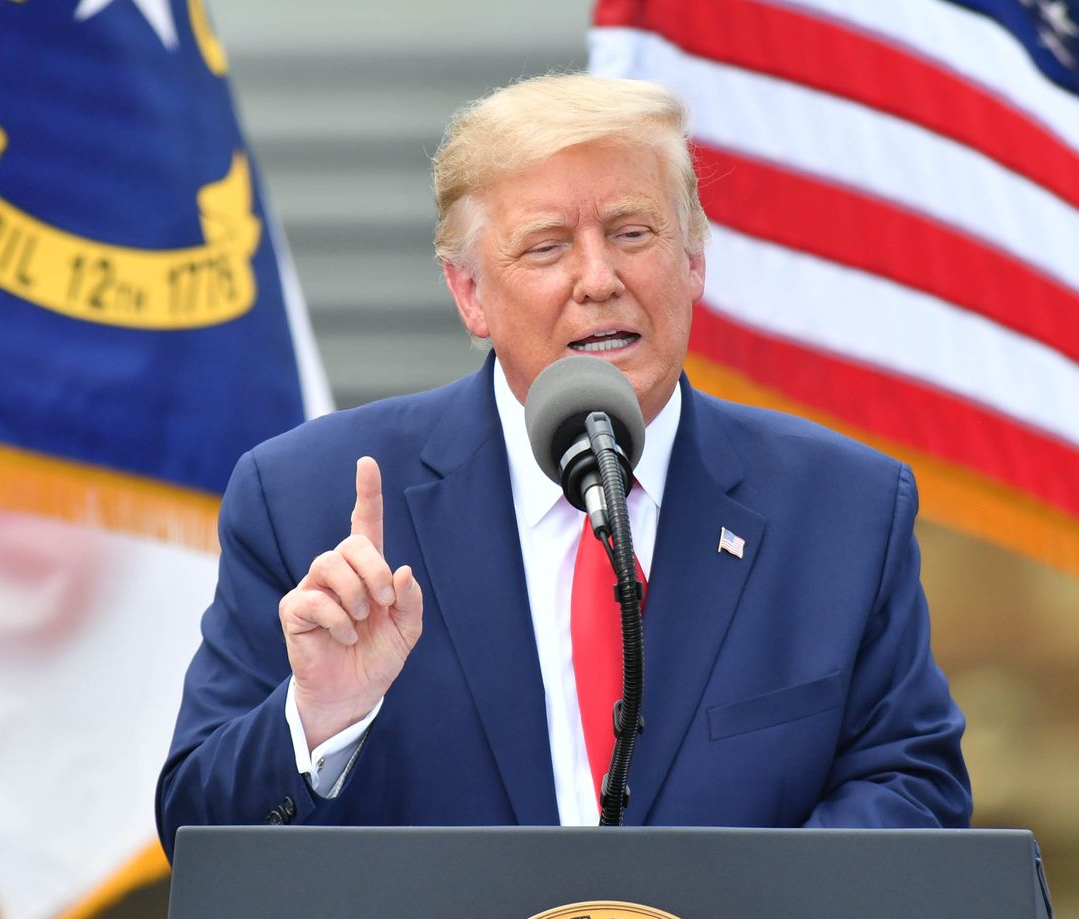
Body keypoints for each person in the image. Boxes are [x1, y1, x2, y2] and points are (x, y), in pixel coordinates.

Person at [156, 74, 969, 857]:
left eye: (632, 233)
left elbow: (912, 786)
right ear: (470, 293)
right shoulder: (303, 499)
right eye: (546, 248)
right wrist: (322, 715)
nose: (599, 279)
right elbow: (200, 834)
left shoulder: (842, 508)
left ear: (693, 261)